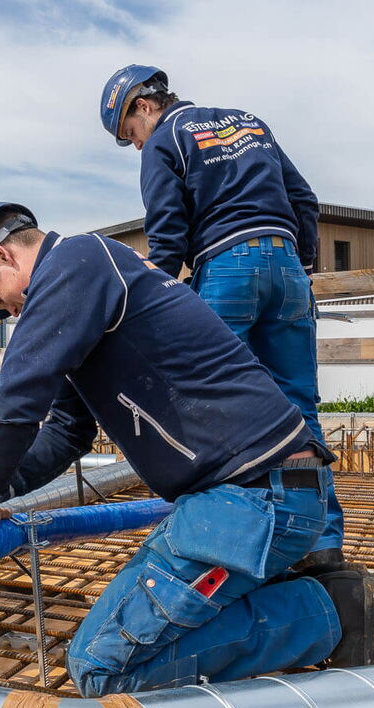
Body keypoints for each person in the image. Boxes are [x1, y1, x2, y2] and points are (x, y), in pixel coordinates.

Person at [0, 202, 374, 696]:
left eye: (0, 300)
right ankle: (294, 598)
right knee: (123, 645)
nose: (13, 313)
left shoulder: (75, 263)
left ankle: (326, 615)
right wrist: (5, 485)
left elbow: (15, 402)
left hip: (254, 499)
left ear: (2, 255)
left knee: (101, 668)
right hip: (238, 500)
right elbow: (67, 429)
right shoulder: (88, 282)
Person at [99, 65, 345, 572]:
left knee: (214, 408)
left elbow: (167, 230)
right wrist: (299, 263)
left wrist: (155, 299)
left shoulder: (166, 139)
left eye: (131, 134)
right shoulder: (249, 122)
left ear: (143, 107)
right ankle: (322, 543)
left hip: (225, 266)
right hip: (286, 265)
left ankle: (235, 544)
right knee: (299, 408)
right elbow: (303, 198)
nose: (138, 145)